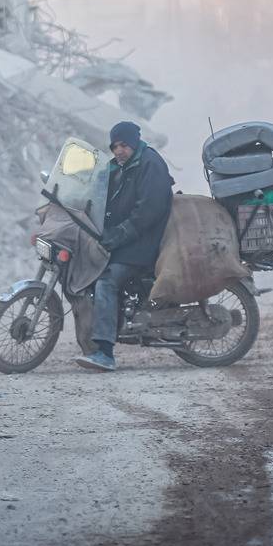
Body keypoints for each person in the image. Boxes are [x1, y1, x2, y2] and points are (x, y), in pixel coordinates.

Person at [76, 121, 173, 372]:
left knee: (106, 281)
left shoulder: (150, 164)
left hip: (144, 241)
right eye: (115, 146)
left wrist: (120, 233)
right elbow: (98, 191)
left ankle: (105, 354)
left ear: (134, 143)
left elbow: (148, 211)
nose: (119, 150)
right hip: (125, 238)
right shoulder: (119, 167)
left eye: (124, 145)